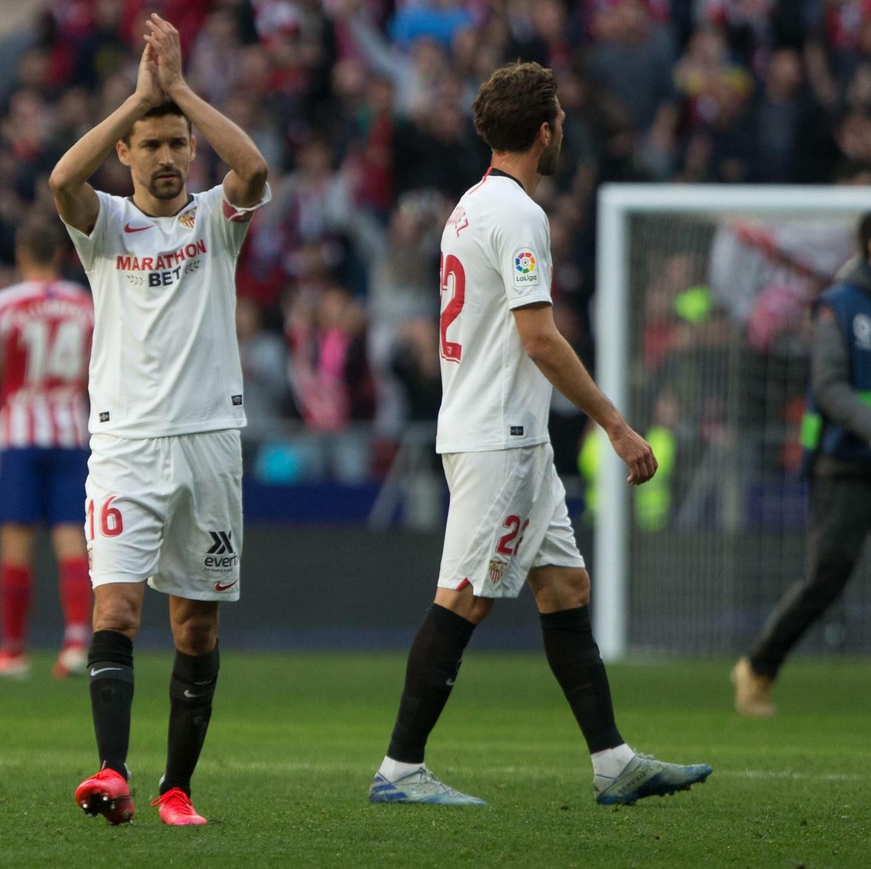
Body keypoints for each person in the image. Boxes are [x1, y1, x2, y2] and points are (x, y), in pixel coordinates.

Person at [368, 62, 712, 807]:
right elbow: (540, 338)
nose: (563, 130)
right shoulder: (520, 215)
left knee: (564, 586)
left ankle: (613, 762)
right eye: (560, 119)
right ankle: (400, 768)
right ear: (546, 130)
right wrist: (615, 424)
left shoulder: (470, 206)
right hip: (501, 434)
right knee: (464, 596)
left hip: (501, 430)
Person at [51, 15, 270, 828]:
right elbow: (60, 179)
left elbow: (254, 167)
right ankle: (112, 771)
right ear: (127, 153)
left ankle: (177, 787)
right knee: (114, 609)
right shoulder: (107, 225)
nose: (169, 156)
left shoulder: (214, 219)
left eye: (179, 142)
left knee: (195, 623)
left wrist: (178, 90)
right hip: (126, 446)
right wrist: (138, 98)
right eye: (152, 144)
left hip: (210, 442)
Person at [735, 214, 871, 716]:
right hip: (845, 462)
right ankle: (758, 667)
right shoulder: (839, 305)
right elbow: (830, 388)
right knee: (827, 577)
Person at [0, 217, 95, 681]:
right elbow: (97, 366)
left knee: (16, 542)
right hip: (70, 431)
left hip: (20, 432)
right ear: (59, 255)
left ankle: (13, 652)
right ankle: (76, 644)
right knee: (71, 537)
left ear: (21, 256)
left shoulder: (6, 303)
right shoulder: (84, 303)